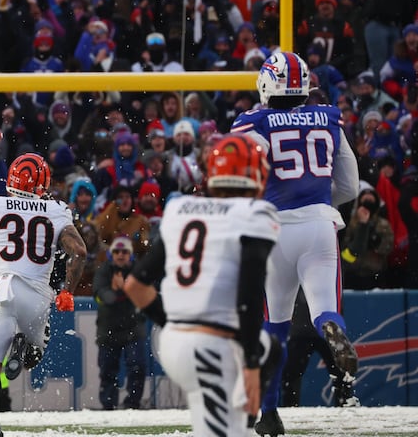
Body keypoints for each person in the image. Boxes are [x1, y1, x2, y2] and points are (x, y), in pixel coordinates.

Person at [231, 51, 361, 436]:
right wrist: (318, 203)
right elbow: (350, 186)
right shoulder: (329, 117)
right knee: (324, 309)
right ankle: (332, 329)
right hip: (319, 225)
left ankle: (268, 414)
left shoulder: (251, 122)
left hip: (274, 230)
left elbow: (237, 177)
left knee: (274, 327)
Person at [124, 134, 282, 437]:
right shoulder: (254, 214)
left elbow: (134, 285)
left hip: (175, 341)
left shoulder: (181, 210)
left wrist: (174, 324)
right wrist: (249, 365)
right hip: (212, 345)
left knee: (269, 349)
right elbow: (248, 293)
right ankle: (243, 407)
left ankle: (244, 419)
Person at [0, 153, 89, 437]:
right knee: (32, 358)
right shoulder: (56, 209)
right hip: (39, 296)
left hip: (5, 291)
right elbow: (80, 252)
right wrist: (67, 291)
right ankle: (23, 344)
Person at [93, 236, 146, 410]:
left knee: (137, 366)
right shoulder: (103, 271)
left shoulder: (138, 271)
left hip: (133, 326)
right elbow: (104, 296)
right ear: (111, 254)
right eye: (117, 251)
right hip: (109, 328)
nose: (121, 255)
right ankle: (108, 406)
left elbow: (145, 295)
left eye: (125, 252)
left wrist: (122, 289)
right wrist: (120, 291)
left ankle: (133, 404)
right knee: (108, 370)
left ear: (130, 254)